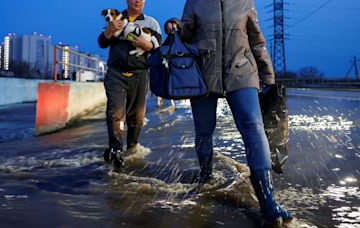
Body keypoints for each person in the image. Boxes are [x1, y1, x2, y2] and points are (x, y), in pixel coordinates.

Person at [165, 0, 292, 225]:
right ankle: (206, 176)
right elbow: (185, 37)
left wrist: (269, 77)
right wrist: (178, 28)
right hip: (203, 76)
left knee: (254, 128)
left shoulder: (245, 1)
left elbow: (256, 40)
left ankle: (267, 200)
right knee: (204, 130)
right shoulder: (195, 2)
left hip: (242, 71)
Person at [98, 0, 162, 171]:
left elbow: (158, 49)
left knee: (137, 116)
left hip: (140, 74)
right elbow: (102, 43)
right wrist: (110, 30)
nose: (137, 1)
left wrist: (144, 44)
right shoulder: (116, 18)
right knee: (115, 112)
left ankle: (132, 147)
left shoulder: (151, 23)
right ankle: (116, 149)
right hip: (116, 73)